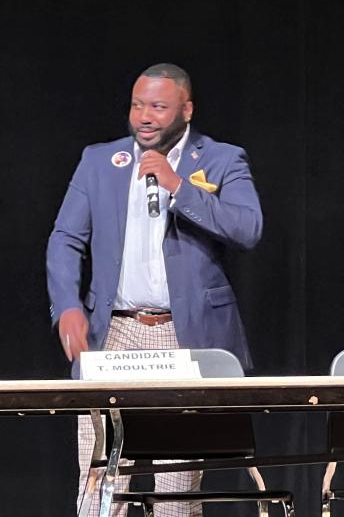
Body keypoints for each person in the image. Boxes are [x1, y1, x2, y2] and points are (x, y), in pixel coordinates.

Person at [46, 63, 263, 516]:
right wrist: (67, 304)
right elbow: (66, 239)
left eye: (159, 107)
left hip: (182, 335)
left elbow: (248, 228)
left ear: (186, 109)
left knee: (175, 489)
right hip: (115, 333)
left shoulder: (221, 158)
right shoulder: (99, 161)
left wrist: (178, 186)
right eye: (137, 105)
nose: (144, 117)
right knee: (98, 482)